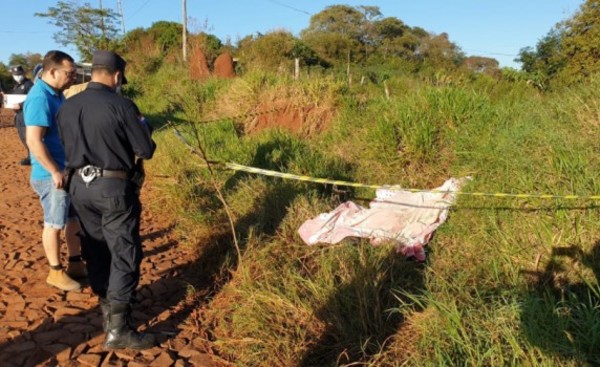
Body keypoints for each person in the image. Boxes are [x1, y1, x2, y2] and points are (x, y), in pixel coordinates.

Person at [57, 50, 156, 350]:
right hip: (113, 188)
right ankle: (118, 330)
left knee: (95, 248)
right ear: (116, 76)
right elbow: (145, 149)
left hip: (79, 188)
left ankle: (106, 310)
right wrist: (144, 127)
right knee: (123, 252)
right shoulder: (122, 105)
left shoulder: (67, 107)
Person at [24, 50, 86, 291]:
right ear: (52, 71)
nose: (73, 77)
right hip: (51, 175)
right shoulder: (40, 98)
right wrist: (54, 171)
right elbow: (34, 141)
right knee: (54, 223)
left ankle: (75, 262)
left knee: (72, 219)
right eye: (69, 73)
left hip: (64, 169)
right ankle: (55, 272)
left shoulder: (57, 94)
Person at [9, 65, 34, 165]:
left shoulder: (29, 84)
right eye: (15, 75)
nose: (17, 76)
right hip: (18, 115)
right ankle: (30, 156)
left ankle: (34, 157)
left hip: (26, 114)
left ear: (23, 74)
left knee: (28, 136)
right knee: (23, 137)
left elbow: (32, 99)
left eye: (19, 74)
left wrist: (20, 105)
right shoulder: (16, 86)